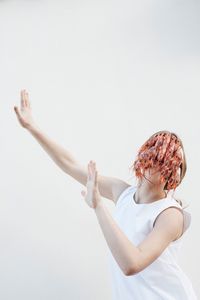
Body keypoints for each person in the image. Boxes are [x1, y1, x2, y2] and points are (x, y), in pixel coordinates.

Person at [14, 89, 197, 299]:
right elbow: (70, 165)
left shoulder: (170, 215)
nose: (153, 161)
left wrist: (98, 205)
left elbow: (132, 263)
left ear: (171, 173)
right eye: (151, 151)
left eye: (162, 160)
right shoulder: (123, 193)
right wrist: (32, 127)